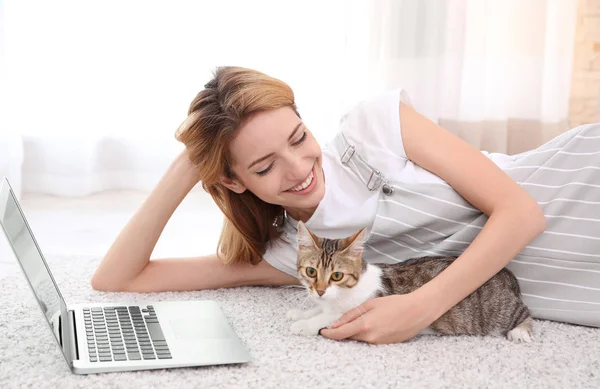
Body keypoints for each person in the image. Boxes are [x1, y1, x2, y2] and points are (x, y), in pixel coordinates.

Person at [91, 66, 600, 344]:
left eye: (298, 136)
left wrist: (418, 308)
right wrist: (192, 161)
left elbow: (521, 212)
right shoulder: (292, 255)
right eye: (264, 167)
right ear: (234, 180)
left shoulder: (374, 127)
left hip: (575, 185)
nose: (298, 169)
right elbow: (118, 278)